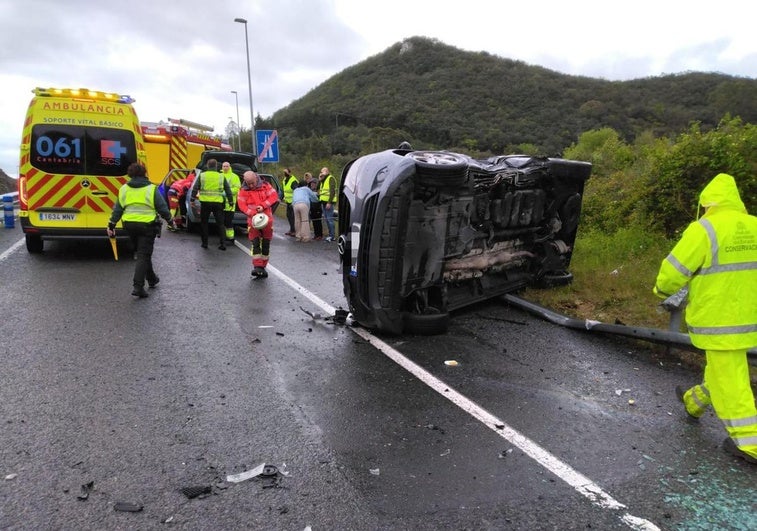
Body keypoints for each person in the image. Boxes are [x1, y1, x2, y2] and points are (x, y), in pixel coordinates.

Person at [654, 173, 757, 465]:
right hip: (750, 318)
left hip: (719, 318)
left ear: (707, 203)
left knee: (731, 379)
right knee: (724, 369)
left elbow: (675, 270)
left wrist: (661, 289)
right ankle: (693, 403)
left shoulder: (704, 229)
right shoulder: (755, 226)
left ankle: (750, 443)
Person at [107, 162, 175, 298]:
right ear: (144, 173)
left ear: (130, 174)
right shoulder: (151, 189)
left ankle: (152, 279)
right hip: (147, 226)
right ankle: (138, 287)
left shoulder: (124, 189)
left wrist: (111, 225)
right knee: (143, 255)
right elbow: (162, 207)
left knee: (143, 252)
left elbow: (118, 209)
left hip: (129, 225)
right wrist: (170, 221)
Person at [237, 170, 279, 279]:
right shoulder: (243, 190)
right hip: (253, 221)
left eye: (252, 183)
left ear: (256, 178)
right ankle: (257, 266)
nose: (251, 186)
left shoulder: (266, 186)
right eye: (248, 183)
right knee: (255, 243)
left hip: (267, 220)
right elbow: (242, 205)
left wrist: (263, 205)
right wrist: (252, 213)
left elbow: (274, 197)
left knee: (266, 243)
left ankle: (263, 267)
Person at [190, 159, 233, 250]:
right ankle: (223, 244)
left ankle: (205, 243)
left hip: (205, 203)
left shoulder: (202, 175)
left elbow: (195, 188)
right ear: (216, 166)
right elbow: (228, 190)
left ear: (208, 166)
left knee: (204, 223)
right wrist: (231, 201)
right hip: (218, 203)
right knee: (220, 224)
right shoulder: (221, 176)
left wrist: (192, 199)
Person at [292, 177, 320, 242]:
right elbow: (313, 196)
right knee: (305, 221)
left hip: (295, 205)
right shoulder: (306, 188)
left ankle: (298, 236)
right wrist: (317, 200)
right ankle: (305, 237)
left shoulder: (295, 190)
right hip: (303, 204)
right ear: (305, 185)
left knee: (297, 221)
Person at [221, 162, 242, 243]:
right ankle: (223, 236)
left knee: (228, 222)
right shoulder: (220, 175)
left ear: (229, 167)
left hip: (230, 204)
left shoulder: (234, 177)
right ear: (222, 167)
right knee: (221, 222)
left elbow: (237, 189)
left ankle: (230, 237)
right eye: (224, 166)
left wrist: (226, 192)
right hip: (220, 203)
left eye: (227, 166)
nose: (225, 168)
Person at [318, 166, 337, 241]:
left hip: (329, 202)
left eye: (323, 171)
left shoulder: (330, 178)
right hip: (323, 202)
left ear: (327, 172)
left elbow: (332, 191)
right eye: (321, 171)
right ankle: (330, 235)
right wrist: (320, 180)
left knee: (330, 219)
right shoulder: (323, 180)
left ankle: (332, 236)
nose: (322, 173)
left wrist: (329, 202)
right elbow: (317, 188)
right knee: (326, 219)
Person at [305, 172, 323, 240]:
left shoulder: (319, 191)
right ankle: (316, 235)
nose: (312, 184)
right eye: (311, 183)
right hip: (312, 208)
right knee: (314, 222)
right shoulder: (309, 190)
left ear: (316, 184)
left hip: (317, 208)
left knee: (318, 221)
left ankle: (320, 235)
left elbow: (319, 199)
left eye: (314, 183)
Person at [281, 167, 299, 237]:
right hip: (288, 202)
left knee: (293, 217)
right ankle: (291, 229)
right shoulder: (284, 180)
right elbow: (283, 191)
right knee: (288, 216)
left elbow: (296, 192)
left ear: (289, 172)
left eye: (286, 172)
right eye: (284, 172)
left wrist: (294, 202)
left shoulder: (293, 180)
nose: (285, 173)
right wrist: (280, 198)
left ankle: (294, 231)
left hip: (293, 202)